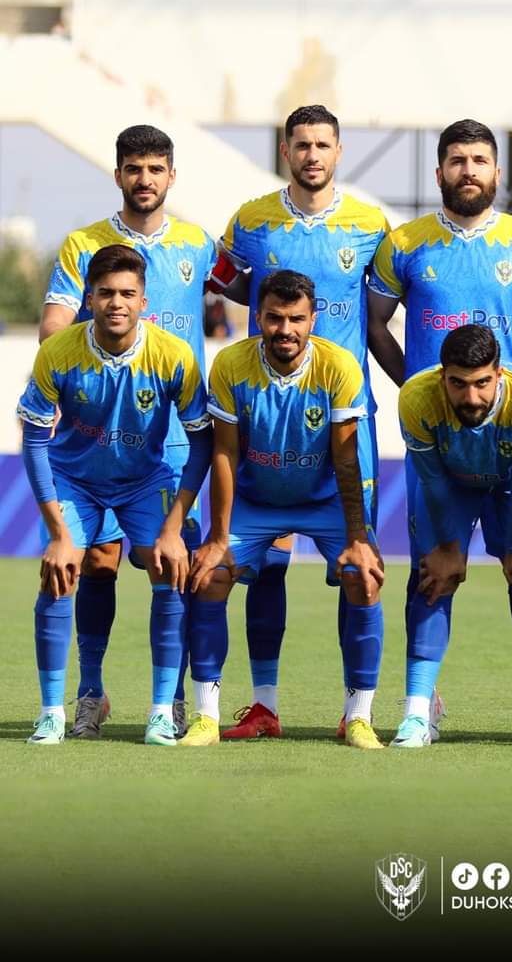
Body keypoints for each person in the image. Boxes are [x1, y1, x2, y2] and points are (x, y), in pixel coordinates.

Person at [368, 118, 512, 740]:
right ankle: (418, 708)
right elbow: (375, 324)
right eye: (456, 160)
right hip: (441, 444)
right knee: (432, 571)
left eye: (479, 160)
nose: (467, 171)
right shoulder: (404, 242)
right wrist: (417, 387)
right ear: (439, 171)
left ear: (497, 172)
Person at [209, 104, 391, 739]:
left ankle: (357, 712)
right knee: (266, 564)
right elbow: (226, 279)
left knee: (357, 568)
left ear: (338, 152)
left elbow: (385, 307)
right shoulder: (251, 220)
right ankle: (263, 706)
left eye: (323, 144)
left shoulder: (371, 225)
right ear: (285, 151)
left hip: (343, 420)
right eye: (302, 144)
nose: (312, 155)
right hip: (267, 418)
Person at [39, 124, 217, 739]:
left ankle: (172, 700)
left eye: (155, 168)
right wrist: (77, 366)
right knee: (96, 561)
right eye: (134, 168)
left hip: (176, 438)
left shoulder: (199, 243)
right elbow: (54, 323)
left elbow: (253, 290)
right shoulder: (84, 243)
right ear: (118, 174)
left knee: (175, 566)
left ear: (172, 176)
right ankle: (91, 693)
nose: (145, 179)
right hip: (104, 431)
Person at [180, 271, 384, 749]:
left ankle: (358, 717)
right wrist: (218, 538)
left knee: (363, 576)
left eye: (296, 319)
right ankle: (206, 717)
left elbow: (346, 458)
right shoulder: (231, 364)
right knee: (209, 576)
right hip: (255, 501)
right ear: (258, 318)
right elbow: (224, 452)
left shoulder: (339, 366)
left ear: (313, 320)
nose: (285, 329)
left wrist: (358, 538)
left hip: (323, 501)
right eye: (274, 318)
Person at [392, 324, 512, 750]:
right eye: (459, 384)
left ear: (499, 374)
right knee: (432, 578)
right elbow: (432, 480)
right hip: (449, 482)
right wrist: (449, 548)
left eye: (482, 383)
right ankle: (417, 711)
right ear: (442, 377)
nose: (471, 397)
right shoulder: (415, 397)